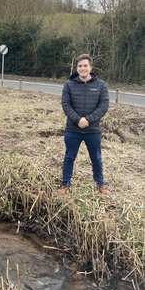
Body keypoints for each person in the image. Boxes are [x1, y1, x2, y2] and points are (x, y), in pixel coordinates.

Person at [58, 53, 110, 196]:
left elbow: (103, 106)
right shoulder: (69, 85)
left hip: (93, 130)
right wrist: (78, 120)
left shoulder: (101, 85)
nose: (82, 68)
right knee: (69, 157)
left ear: (90, 67)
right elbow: (66, 105)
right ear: (77, 68)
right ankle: (65, 183)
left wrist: (87, 119)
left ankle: (100, 184)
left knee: (96, 158)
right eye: (80, 66)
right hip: (73, 129)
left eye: (85, 65)